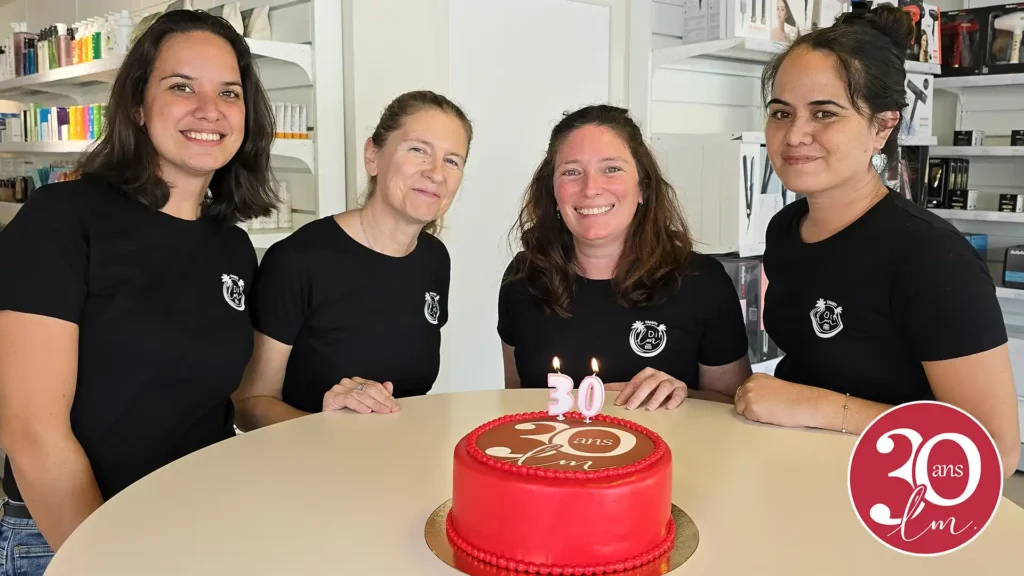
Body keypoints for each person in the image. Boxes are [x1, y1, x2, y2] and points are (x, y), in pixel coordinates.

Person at [0, 9, 278, 570]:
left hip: (197, 521)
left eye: (229, 92)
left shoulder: (231, 246)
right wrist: (109, 561)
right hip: (70, 537)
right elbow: (32, 434)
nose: (210, 109)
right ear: (136, 106)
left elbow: (226, 397)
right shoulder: (63, 219)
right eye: (181, 87)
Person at [734, 5, 1020, 476]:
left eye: (824, 113)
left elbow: (995, 450)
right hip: (796, 473)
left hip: (895, 494)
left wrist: (821, 407)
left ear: (882, 126)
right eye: (781, 113)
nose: (794, 135)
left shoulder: (932, 258)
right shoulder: (785, 228)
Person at [231, 91, 471, 428]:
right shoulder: (298, 260)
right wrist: (329, 430)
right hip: (311, 459)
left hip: (401, 455)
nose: (436, 173)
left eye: (452, 161)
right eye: (418, 150)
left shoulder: (433, 259)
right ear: (373, 156)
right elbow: (249, 405)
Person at [498, 105, 751, 410]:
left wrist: (681, 395)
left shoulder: (702, 282)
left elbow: (734, 407)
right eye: (571, 172)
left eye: (611, 169)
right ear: (552, 191)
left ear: (642, 186)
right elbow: (516, 401)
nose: (590, 189)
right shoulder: (523, 277)